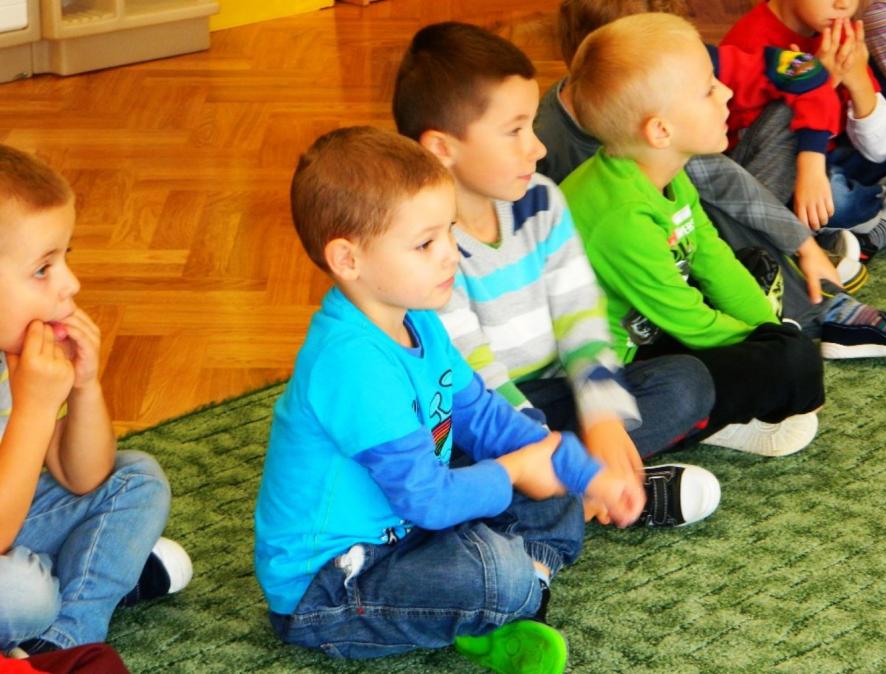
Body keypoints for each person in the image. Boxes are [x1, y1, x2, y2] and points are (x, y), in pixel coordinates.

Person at [255, 125, 663, 673]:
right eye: (425, 244)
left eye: (449, 231)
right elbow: (427, 500)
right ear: (348, 259)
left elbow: (484, 415)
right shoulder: (351, 364)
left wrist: (582, 471)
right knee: (496, 569)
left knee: (555, 481)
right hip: (333, 587)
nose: (451, 254)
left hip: (412, 531)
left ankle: (519, 594)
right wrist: (519, 470)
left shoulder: (420, 317)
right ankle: (520, 590)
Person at [392, 21, 723, 527]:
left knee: (686, 383)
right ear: (442, 147)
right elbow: (476, 382)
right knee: (443, 471)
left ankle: (576, 496)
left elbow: (580, 318)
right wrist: (554, 454)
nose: (538, 147)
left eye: (531, 127)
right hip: (476, 418)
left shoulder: (541, 200)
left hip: (554, 397)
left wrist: (603, 418)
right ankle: (600, 492)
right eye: (514, 131)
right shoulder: (427, 248)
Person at [538, 0, 886, 361]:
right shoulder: (549, 143)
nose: (722, 91)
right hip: (647, 271)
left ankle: (802, 273)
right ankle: (812, 308)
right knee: (708, 209)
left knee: (719, 191)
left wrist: (808, 193)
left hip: (707, 210)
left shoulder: (689, 77)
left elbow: (800, 76)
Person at [561, 13, 831, 456]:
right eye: (709, 89)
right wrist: (777, 351)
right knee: (790, 361)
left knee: (751, 277)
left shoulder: (665, 172)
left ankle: (733, 400)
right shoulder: (621, 216)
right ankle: (694, 425)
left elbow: (710, 254)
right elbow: (687, 318)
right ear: (660, 130)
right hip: (621, 371)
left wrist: (767, 329)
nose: (727, 93)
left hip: (656, 327)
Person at [0, 145, 192, 657]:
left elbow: (82, 477)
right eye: (43, 268)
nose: (71, 283)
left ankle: (58, 641)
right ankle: (93, 575)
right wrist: (35, 408)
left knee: (137, 479)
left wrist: (85, 386)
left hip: (17, 516)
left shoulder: (17, 350)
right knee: (22, 592)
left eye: (66, 256)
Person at [722, 0, 886, 239]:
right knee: (836, 203)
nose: (844, 4)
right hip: (783, 168)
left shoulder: (837, 29)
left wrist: (859, 80)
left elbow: (882, 149)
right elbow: (767, 163)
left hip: (837, 154)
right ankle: (883, 209)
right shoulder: (749, 45)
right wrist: (820, 84)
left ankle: (879, 206)